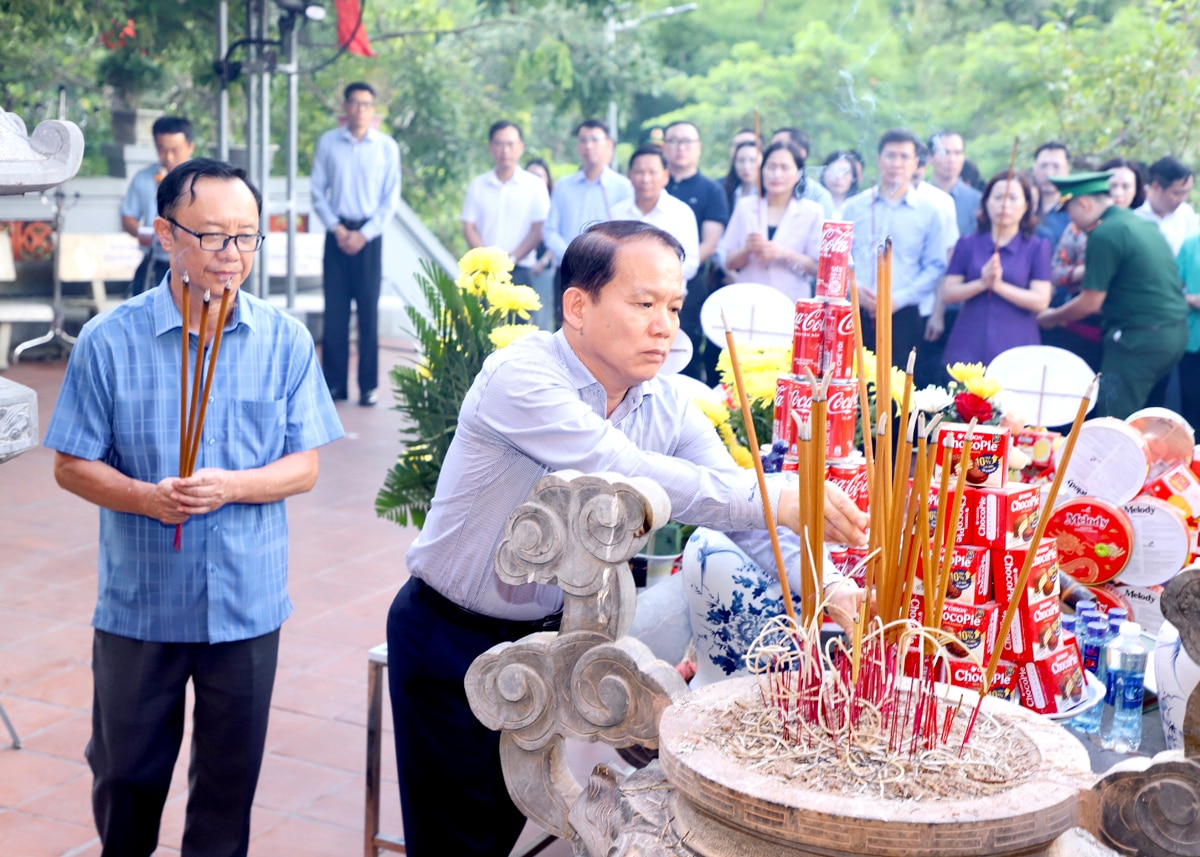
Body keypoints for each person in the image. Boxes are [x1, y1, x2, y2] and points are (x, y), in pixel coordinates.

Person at [386, 220, 868, 857]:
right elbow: (620, 467)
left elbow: (734, 503)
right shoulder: (521, 378)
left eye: (673, 307)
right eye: (644, 304)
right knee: (455, 835)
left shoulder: (664, 402)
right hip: (453, 636)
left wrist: (828, 584)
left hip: (551, 642)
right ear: (578, 306)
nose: (665, 325)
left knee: (513, 815)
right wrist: (775, 494)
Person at [43, 158, 344, 857]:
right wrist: (147, 498)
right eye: (212, 236)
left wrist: (231, 485)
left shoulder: (285, 340)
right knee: (124, 775)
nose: (231, 254)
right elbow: (69, 464)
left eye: (246, 237)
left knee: (228, 788)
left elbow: (305, 466)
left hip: (246, 599)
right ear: (165, 233)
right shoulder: (108, 341)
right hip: (141, 599)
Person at [1038, 171, 1188, 418]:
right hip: (1171, 336)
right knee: (1140, 422)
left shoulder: (1105, 234)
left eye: (1070, 212)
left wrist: (1052, 317)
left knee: (1111, 421)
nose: (1071, 221)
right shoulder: (1138, 223)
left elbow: (1090, 302)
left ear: (1083, 204)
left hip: (1138, 340)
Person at [311, 81, 401, 406]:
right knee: (334, 312)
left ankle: (368, 387)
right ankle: (334, 385)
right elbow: (318, 192)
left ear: (373, 110)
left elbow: (390, 199)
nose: (360, 109)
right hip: (336, 234)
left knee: (368, 313)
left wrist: (365, 233)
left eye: (366, 104)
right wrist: (338, 229)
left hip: (369, 238)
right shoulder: (328, 143)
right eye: (355, 103)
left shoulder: (387, 147)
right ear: (345, 107)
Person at [841, 128, 947, 370]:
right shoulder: (854, 207)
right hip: (854, 309)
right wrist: (852, 287)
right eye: (890, 156)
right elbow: (838, 259)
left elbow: (935, 267)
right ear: (879, 160)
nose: (896, 163)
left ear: (916, 163)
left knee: (897, 391)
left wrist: (897, 299)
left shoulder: (929, 212)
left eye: (904, 157)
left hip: (902, 313)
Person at [941, 171, 1052, 366]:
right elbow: (949, 293)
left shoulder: (1036, 247)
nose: (1004, 204)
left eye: (1013, 198)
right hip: (969, 339)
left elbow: (1040, 300)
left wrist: (999, 286)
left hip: (1017, 341)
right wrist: (981, 283)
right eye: (998, 197)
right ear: (986, 202)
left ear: (1026, 205)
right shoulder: (967, 244)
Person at [1048, 158, 1146, 371]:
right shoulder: (1077, 227)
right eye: (1113, 186)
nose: (1118, 192)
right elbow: (1056, 273)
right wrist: (1088, 270)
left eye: (1126, 186)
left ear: (1137, 190)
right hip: (1081, 321)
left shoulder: (1142, 228)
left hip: (1126, 328)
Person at [663, 120, 729, 382]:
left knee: (684, 351)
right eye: (674, 141)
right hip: (647, 287)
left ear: (698, 148)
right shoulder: (654, 185)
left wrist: (672, 274)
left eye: (687, 141)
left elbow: (709, 244)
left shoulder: (711, 190)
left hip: (689, 283)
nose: (680, 148)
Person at [718, 140, 823, 302]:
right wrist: (746, 248)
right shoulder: (745, 206)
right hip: (747, 300)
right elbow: (729, 262)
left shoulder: (812, 212)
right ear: (762, 171)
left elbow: (818, 269)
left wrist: (785, 253)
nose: (777, 174)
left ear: (798, 174)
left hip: (791, 301)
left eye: (784, 168)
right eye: (771, 167)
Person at [461, 121, 549, 291]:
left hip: (520, 270)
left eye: (510, 144)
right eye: (499, 144)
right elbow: (469, 226)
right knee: (480, 317)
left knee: (517, 317)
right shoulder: (478, 185)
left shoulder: (535, 185)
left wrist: (512, 259)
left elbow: (539, 228)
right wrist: (487, 260)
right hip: (483, 271)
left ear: (521, 147)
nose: (505, 150)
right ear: (490, 147)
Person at [542, 119, 634, 269]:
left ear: (608, 145)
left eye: (595, 140)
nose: (589, 146)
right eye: (583, 140)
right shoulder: (563, 186)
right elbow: (550, 230)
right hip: (567, 267)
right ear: (578, 147)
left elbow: (626, 233)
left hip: (605, 269)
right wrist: (571, 254)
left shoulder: (623, 187)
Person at [120, 116, 195, 296]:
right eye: (162, 149)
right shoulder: (144, 178)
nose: (168, 156)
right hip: (155, 261)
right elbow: (128, 216)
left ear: (190, 147)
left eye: (174, 150)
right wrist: (142, 233)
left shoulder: (202, 179)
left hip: (192, 263)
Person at [610, 145, 700, 280]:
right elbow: (608, 256)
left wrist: (653, 278)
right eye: (639, 172)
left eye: (652, 172)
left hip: (668, 296)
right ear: (629, 175)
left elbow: (690, 263)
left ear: (665, 176)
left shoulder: (681, 213)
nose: (646, 179)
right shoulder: (616, 213)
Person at [1135, 155, 1200, 255]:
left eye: (1186, 193)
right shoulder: (1135, 212)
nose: (1182, 199)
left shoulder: (1185, 213)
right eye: (1177, 193)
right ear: (1156, 186)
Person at [769, 126, 836, 216]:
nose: (775, 152)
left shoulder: (818, 196)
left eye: (781, 146)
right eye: (773, 147)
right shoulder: (757, 191)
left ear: (801, 153)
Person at [927, 131, 982, 239]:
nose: (952, 159)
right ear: (930, 157)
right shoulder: (918, 198)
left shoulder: (977, 200)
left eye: (957, 153)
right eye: (945, 152)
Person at [524, 157, 557, 330]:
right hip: (519, 267)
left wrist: (543, 261)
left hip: (542, 268)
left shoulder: (553, 203)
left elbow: (555, 234)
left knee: (542, 319)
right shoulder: (519, 203)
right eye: (529, 175)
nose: (534, 180)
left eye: (539, 176)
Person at [1174, 231, 1200, 431]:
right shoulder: (1191, 244)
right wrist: (1191, 299)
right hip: (1193, 338)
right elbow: (1169, 291)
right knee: (1191, 404)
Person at [1032, 141, 1072, 249]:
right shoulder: (1022, 207)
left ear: (1067, 170)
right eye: (1043, 166)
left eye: (1056, 166)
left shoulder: (1074, 210)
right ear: (1034, 169)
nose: (1049, 173)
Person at [722, 139, 763, 211]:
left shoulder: (767, 195)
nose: (746, 167)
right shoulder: (724, 192)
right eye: (741, 161)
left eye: (753, 160)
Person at [820, 151, 859, 219]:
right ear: (824, 173)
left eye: (845, 172)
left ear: (853, 177)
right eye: (834, 170)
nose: (839, 176)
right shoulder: (813, 203)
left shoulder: (858, 206)